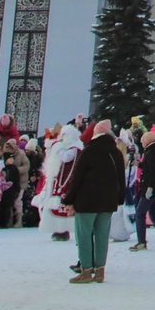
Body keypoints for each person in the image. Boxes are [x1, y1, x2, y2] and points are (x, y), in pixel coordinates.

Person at [64, 120, 126, 283]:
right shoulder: (116, 153)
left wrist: (68, 199)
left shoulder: (89, 151)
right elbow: (121, 178)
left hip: (87, 201)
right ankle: (100, 271)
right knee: (102, 236)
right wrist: (120, 198)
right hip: (108, 201)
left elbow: (77, 178)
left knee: (84, 235)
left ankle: (86, 270)